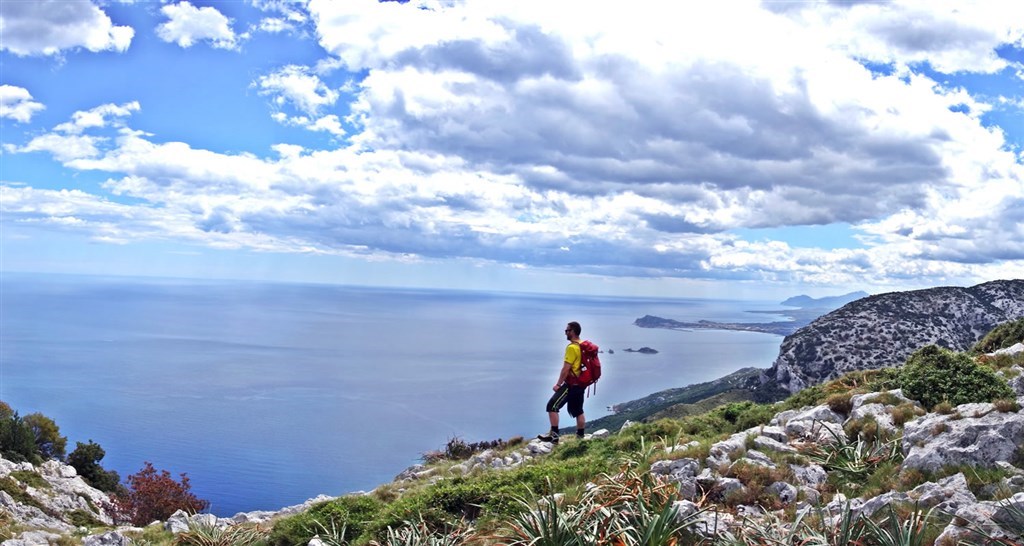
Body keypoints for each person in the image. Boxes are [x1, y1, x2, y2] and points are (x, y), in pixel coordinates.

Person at [537, 321, 586, 444]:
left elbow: (566, 368)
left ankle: (554, 436)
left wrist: (558, 384)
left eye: (567, 331)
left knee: (552, 406)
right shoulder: (583, 345)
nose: (565, 333)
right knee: (579, 411)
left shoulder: (572, 347)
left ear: (573, 331)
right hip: (581, 383)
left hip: (571, 384)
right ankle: (580, 437)